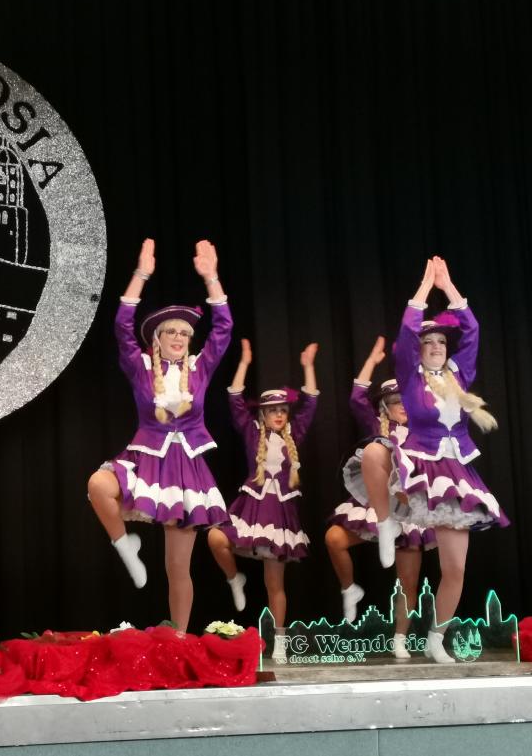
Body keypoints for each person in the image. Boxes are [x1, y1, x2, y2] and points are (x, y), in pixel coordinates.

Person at [353, 257, 507, 663]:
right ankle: (386, 523)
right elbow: (404, 333)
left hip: (456, 475)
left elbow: (472, 330)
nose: (436, 348)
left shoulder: (459, 375)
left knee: (455, 569)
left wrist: (450, 288)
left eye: (441, 343)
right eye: (429, 344)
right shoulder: (408, 376)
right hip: (416, 464)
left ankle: (437, 636)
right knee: (372, 451)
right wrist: (424, 288)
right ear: (418, 352)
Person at [86, 239, 231, 634]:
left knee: (177, 567)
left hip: (186, 469)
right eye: (171, 333)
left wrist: (211, 277)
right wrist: (141, 275)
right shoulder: (141, 366)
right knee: (98, 485)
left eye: (184, 333)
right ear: (158, 338)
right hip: (145, 455)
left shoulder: (200, 369)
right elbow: (120, 326)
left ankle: (180, 637)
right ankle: (125, 546)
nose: (180, 339)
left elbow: (224, 329)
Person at [207, 339, 318, 663]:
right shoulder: (251, 432)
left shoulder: (293, 436)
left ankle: (280, 641)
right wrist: (243, 362)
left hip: (279, 512)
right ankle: (234, 578)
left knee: (274, 582)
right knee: (215, 538)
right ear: (264, 414)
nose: (280, 415)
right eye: (273, 411)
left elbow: (311, 403)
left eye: (283, 410)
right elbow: (234, 399)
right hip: (251, 507)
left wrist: (308, 366)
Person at [328, 336, 435, 658]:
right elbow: (357, 396)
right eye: (395, 401)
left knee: (408, 579)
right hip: (375, 505)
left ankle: (400, 638)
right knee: (334, 539)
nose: (403, 406)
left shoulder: (425, 432)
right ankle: (350, 588)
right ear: (385, 407)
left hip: (410, 507)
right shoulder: (378, 426)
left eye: (406, 400)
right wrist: (372, 361)